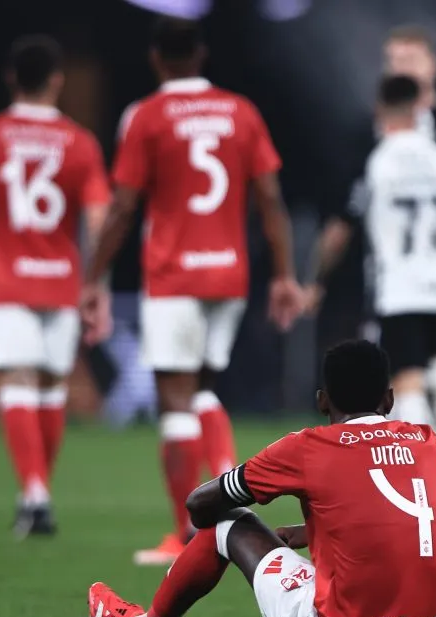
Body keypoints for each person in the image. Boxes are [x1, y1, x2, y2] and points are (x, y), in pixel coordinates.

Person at [87, 339, 436, 617]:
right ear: (389, 399)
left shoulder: (307, 448)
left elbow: (199, 505)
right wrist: (314, 529)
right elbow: (402, 508)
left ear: (323, 401)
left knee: (227, 523)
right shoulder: (426, 441)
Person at [84, 18, 302, 565]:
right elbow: (270, 199)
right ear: (201, 55)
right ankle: (232, 499)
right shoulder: (241, 112)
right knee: (203, 389)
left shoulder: (147, 116)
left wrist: (93, 277)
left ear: (156, 59)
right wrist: (282, 274)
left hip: (176, 275)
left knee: (175, 401)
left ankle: (187, 532)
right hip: (229, 273)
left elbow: (124, 206)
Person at [307, 24, 436, 517]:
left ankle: (428, 485)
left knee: (406, 384)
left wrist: (315, 281)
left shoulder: (380, 157)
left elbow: (341, 227)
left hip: (397, 286)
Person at [0, 36, 111, 537]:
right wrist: (94, 280)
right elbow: (100, 219)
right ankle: (37, 495)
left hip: (5, 276)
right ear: (57, 80)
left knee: (17, 382)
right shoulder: (80, 142)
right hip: (61, 280)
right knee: (51, 387)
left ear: (11, 78)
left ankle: (35, 494)